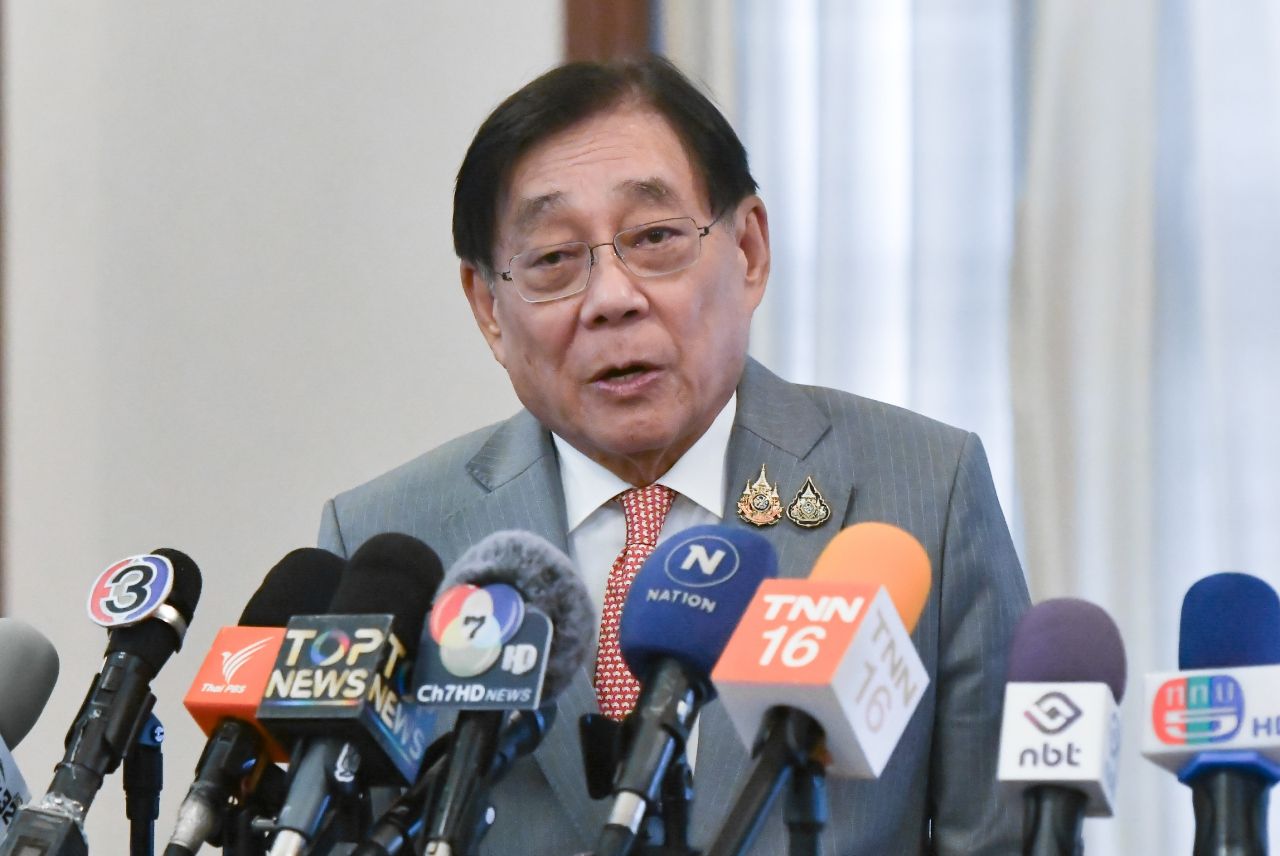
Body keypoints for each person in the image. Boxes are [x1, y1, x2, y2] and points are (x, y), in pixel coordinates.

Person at [318, 55, 1029, 855]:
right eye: (553, 260)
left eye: (655, 238)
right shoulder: (386, 544)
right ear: (489, 307)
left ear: (748, 250)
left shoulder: (926, 493)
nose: (612, 298)